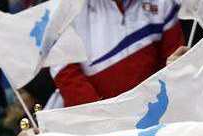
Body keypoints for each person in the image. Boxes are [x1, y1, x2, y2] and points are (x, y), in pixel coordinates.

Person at [52, 0, 184, 105]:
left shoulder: (162, 3)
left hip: (155, 112)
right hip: (99, 128)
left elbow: (175, 65)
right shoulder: (63, 12)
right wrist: (108, 122)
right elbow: (68, 78)